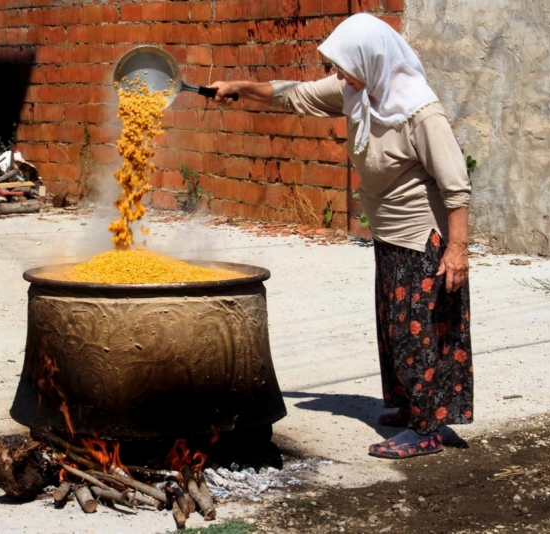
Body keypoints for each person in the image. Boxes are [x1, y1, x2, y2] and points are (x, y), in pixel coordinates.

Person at [208, 13, 473, 459]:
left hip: (422, 236)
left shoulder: (420, 112)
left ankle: (428, 427)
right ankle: (412, 406)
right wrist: (241, 86)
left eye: (343, 66)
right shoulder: (360, 91)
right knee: (396, 327)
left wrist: (458, 249)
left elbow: (456, 184)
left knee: (421, 331)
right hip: (389, 233)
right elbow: (296, 95)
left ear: (370, 61)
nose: (336, 76)